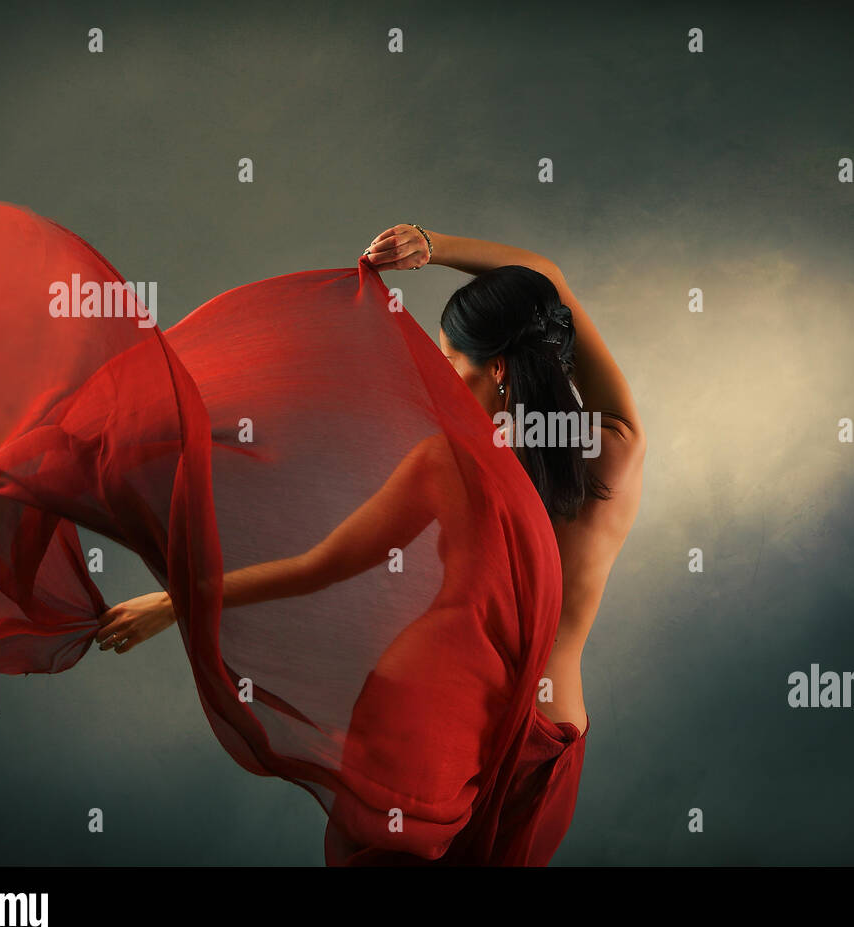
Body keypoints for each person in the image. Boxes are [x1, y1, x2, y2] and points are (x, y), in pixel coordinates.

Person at [94, 225, 646, 863]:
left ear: (496, 369)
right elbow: (547, 277)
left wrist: (173, 603)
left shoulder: (450, 464)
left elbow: (319, 568)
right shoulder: (615, 450)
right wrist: (433, 246)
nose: (436, 379)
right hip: (549, 731)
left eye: (447, 363)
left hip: (433, 721)